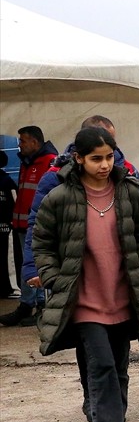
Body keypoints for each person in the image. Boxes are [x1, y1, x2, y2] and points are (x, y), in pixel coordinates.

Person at [23, 115, 139, 422]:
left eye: (110, 152)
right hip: (82, 289)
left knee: (116, 360)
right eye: (97, 155)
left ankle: (111, 409)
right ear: (79, 153)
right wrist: (39, 270)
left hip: (120, 286)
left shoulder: (127, 177)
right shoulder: (55, 180)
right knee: (94, 355)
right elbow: (39, 226)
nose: (105, 162)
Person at [1, 126, 57, 327]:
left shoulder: (49, 162)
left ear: (34, 142)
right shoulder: (27, 162)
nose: (20, 144)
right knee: (26, 266)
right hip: (22, 225)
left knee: (39, 265)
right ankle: (26, 304)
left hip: (39, 227)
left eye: (23, 141)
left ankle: (42, 306)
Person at [0, 151, 16, 299]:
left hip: (4, 223)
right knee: (3, 255)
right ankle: (4, 287)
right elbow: (13, 200)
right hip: (4, 224)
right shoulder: (6, 180)